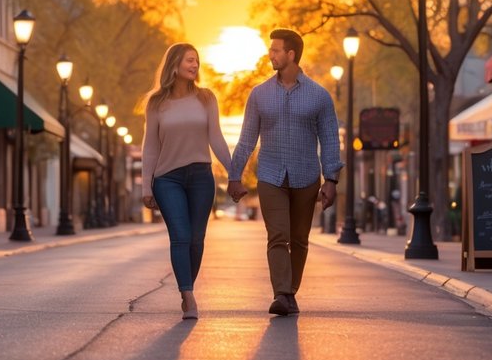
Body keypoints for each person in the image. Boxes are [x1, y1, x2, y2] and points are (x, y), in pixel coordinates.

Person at [228, 28, 342, 316]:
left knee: (300, 239)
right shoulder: (259, 95)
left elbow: (330, 139)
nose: (271, 54)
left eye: (276, 50)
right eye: (271, 49)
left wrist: (331, 180)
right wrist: (234, 175)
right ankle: (281, 293)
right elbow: (246, 139)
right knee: (277, 235)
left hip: (306, 176)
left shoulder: (319, 96)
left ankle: (289, 292)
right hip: (270, 176)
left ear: (291, 54)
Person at [141, 43, 233, 320]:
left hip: (201, 177)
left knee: (197, 239)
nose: (195, 65)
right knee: (180, 237)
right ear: (175, 64)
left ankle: (186, 286)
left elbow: (216, 137)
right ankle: (188, 296)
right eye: (190, 60)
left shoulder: (206, 98)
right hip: (167, 179)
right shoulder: (157, 103)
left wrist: (234, 171)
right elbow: (150, 147)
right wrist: (147, 186)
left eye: (197, 61)